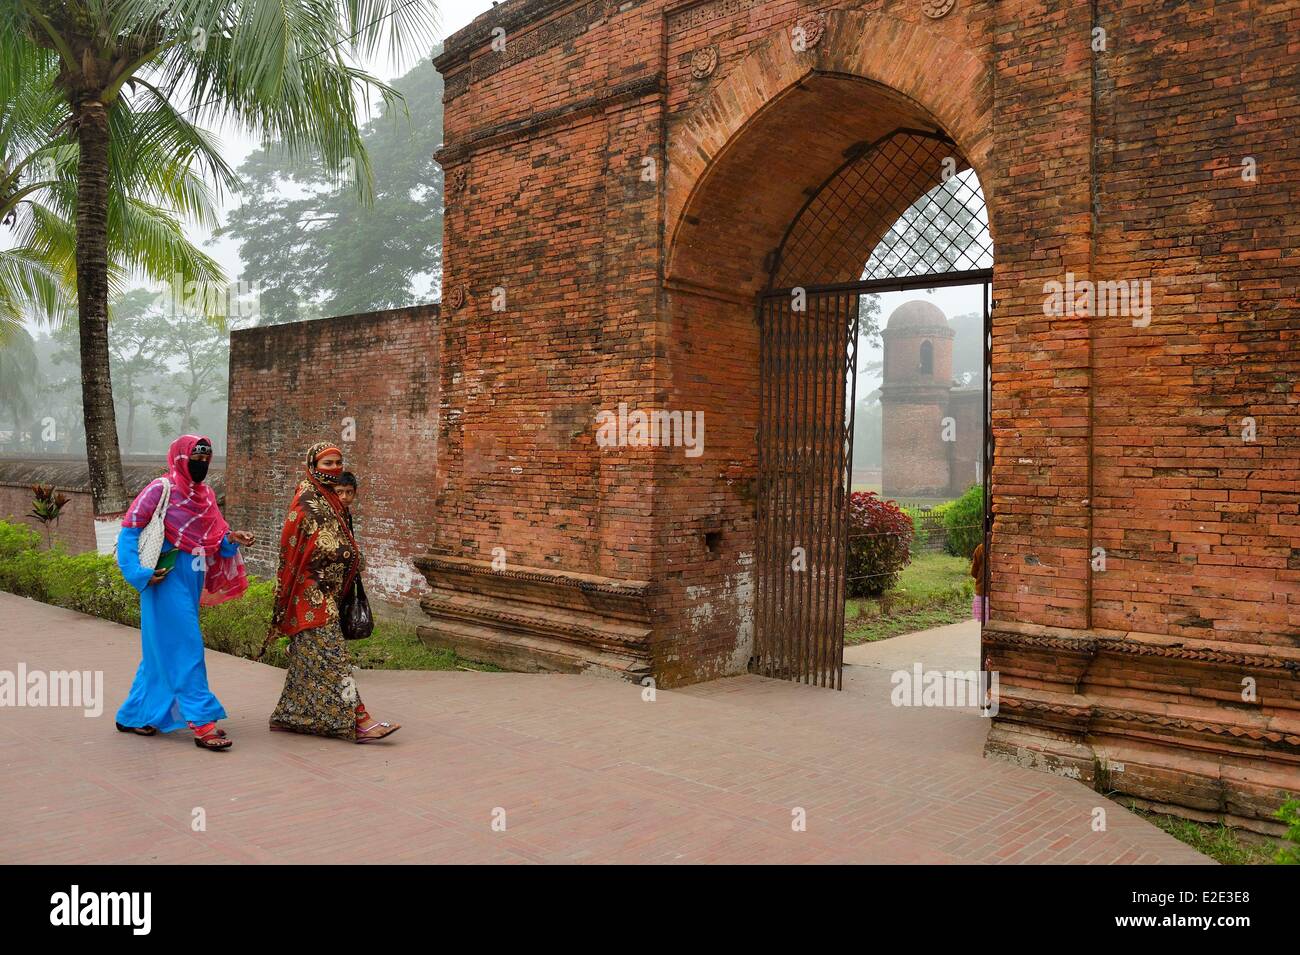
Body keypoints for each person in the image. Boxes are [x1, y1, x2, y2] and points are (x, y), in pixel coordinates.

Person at [114, 435, 254, 751]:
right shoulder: (160, 489)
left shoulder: (205, 495)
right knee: (187, 646)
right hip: (162, 580)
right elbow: (129, 531)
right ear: (180, 457)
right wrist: (139, 574)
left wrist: (233, 539)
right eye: (196, 457)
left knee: (160, 651)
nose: (201, 464)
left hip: (191, 580)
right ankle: (202, 721)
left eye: (206, 459)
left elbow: (215, 542)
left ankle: (135, 714)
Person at [267, 443, 399, 742]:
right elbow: (301, 540)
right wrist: (344, 552)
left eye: (338, 462)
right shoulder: (307, 498)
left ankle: (289, 715)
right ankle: (361, 720)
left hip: (329, 592)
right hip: (309, 594)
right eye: (328, 463)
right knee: (334, 656)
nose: (334, 468)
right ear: (313, 464)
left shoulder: (330, 499)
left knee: (307, 659)